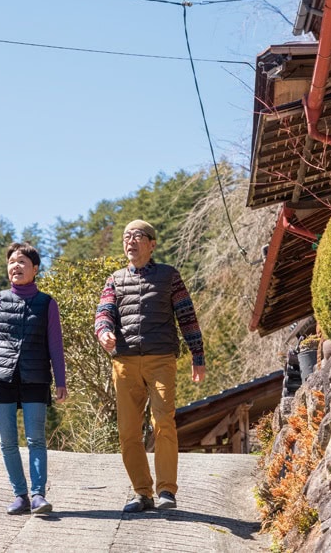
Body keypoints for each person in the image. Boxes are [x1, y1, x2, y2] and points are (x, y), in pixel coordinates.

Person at [94, 219, 205, 512]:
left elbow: (187, 316)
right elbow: (104, 311)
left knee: (164, 422)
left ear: (152, 244)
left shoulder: (169, 276)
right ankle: (142, 493)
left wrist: (198, 355)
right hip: (124, 361)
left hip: (161, 359)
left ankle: (167, 489)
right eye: (126, 236)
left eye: (137, 236)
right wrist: (104, 331)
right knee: (128, 430)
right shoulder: (114, 279)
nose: (130, 241)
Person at [0, 241, 68, 515]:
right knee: (8, 441)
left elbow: (55, 344)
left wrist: (60, 380)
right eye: (12, 261)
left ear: (35, 269)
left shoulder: (47, 303)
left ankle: (38, 495)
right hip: (1, 377)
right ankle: (20, 495)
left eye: (22, 262)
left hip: (35, 376)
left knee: (36, 438)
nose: (16, 266)